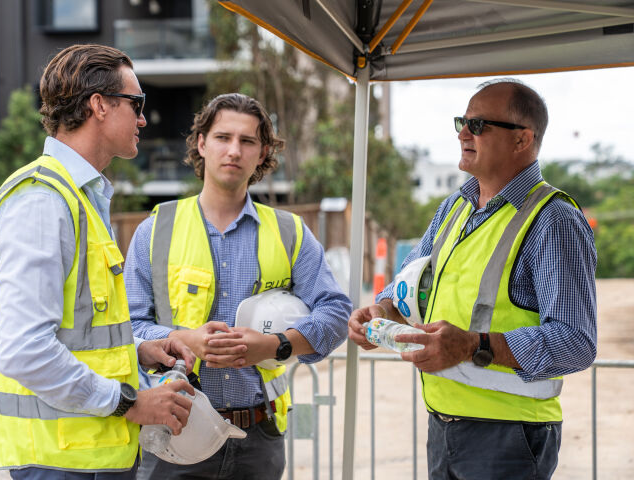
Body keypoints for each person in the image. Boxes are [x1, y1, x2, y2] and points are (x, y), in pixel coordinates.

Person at [0, 44, 196, 479]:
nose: (142, 119)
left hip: (81, 456)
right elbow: (25, 351)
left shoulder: (77, 197)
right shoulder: (43, 202)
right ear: (99, 105)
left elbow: (78, 334)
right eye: (136, 104)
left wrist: (138, 353)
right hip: (59, 462)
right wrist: (130, 402)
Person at [349, 79, 597, 479]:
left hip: (509, 436)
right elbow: (408, 284)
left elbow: (575, 342)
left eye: (478, 125)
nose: (463, 133)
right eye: (461, 122)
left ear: (522, 140)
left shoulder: (554, 220)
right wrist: (382, 311)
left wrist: (472, 346)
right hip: (443, 426)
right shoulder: (455, 206)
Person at [124, 93, 352, 479]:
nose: (234, 150)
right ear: (201, 143)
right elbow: (128, 327)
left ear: (263, 153)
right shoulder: (155, 231)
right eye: (222, 137)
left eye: (247, 141)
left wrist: (276, 345)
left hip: (258, 440)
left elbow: (336, 313)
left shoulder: (290, 233)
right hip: (173, 433)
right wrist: (182, 340)